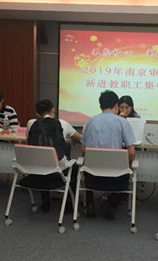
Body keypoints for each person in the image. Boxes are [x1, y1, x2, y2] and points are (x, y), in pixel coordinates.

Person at [81, 90, 136, 219]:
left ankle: (90, 203)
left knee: (86, 169)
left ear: (101, 106)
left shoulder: (90, 121)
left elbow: (83, 150)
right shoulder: (122, 122)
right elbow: (132, 152)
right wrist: (129, 164)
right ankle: (109, 202)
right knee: (127, 178)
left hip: (92, 178)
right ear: (116, 106)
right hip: (116, 179)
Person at [26, 99, 82, 212]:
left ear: (37, 113)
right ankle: (69, 204)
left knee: (43, 159)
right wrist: (69, 138)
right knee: (75, 167)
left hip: (37, 170)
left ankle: (46, 201)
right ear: (53, 110)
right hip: (58, 171)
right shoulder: (63, 123)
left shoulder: (31, 123)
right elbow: (81, 139)